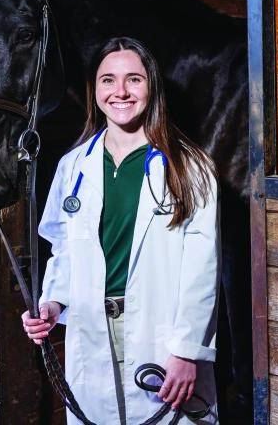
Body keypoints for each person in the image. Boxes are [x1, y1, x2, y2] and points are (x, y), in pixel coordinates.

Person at [22, 37, 221, 424]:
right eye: (108, 80)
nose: (121, 92)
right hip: (92, 327)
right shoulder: (73, 166)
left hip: (161, 332)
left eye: (134, 79)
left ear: (152, 87)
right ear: (95, 90)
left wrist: (187, 350)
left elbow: (204, 269)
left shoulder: (190, 167)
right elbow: (64, 248)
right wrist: (52, 303)